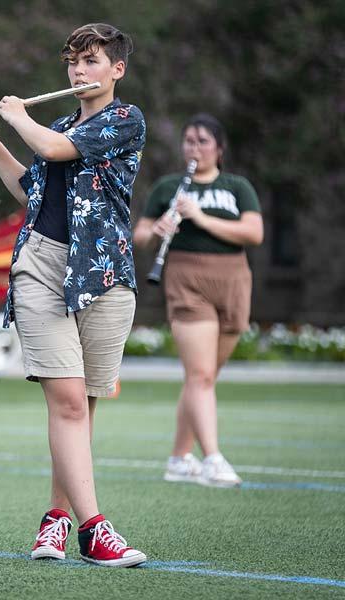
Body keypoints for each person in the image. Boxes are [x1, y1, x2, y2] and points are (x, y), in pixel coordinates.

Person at [0, 23, 146, 566]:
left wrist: (17, 117)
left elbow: (56, 148)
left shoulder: (123, 120)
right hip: (41, 264)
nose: (78, 71)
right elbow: (30, 187)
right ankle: (95, 530)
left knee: (83, 408)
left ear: (117, 69)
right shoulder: (59, 123)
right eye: (72, 62)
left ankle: (55, 518)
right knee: (65, 402)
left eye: (91, 61)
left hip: (104, 272)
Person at [133, 114, 263, 488]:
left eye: (203, 141)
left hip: (234, 279)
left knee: (203, 378)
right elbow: (139, 235)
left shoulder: (237, 187)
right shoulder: (169, 186)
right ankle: (213, 459)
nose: (194, 148)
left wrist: (201, 217)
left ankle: (177, 459)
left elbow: (253, 232)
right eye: (189, 141)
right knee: (201, 376)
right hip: (187, 280)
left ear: (219, 148)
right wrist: (157, 229)